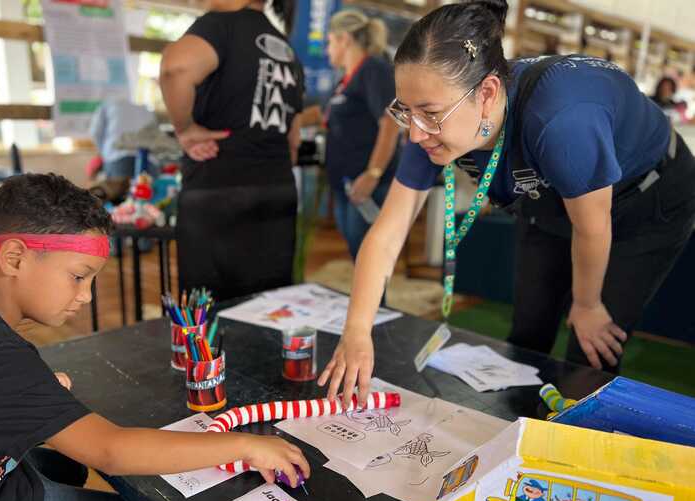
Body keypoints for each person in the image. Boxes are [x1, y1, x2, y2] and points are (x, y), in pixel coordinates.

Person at [0, 173, 309, 501]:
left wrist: (29, 390)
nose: (85, 295)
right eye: (78, 276)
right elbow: (110, 450)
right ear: (14, 258)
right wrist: (246, 444)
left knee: (62, 465)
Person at [318, 0, 695, 407]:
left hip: (643, 203)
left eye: (429, 114)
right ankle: (511, 430)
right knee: (529, 329)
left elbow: (593, 226)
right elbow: (388, 232)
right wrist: (357, 329)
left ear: (487, 94)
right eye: (406, 112)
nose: (415, 133)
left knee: (591, 349)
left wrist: (586, 304)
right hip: (548, 199)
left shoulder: (561, 120)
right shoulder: (431, 116)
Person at [159, 0, 304, 301]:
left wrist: (185, 129)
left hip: (219, 187)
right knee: (269, 305)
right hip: (277, 190)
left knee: (209, 310)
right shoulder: (286, 50)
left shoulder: (220, 26)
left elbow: (176, 68)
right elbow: (294, 138)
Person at [302, 9, 400, 260]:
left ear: (344, 39)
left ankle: (375, 301)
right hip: (346, 183)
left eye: (330, 42)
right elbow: (324, 113)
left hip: (366, 184)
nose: (327, 49)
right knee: (358, 254)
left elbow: (390, 123)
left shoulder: (373, 69)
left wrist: (372, 174)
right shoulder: (345, 78)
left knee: (369, 257)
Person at [89, 97, 158, 179]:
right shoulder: (146, 109)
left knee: (119, 190)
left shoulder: (107, 105)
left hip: (118, 158)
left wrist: (104, 154)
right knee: (148, 189)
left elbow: (95, 133)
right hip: (149, 160)